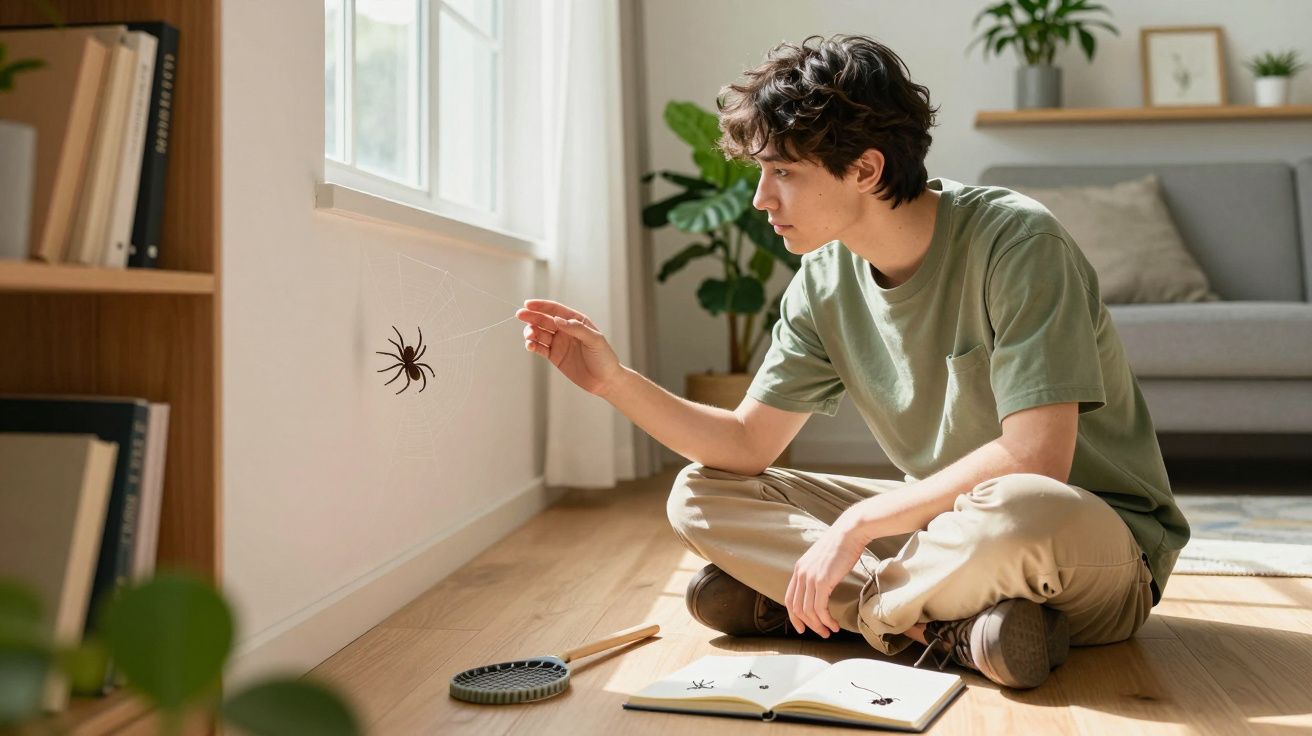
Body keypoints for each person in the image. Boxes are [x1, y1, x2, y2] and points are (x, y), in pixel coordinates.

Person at [514, 34, 1189, 690]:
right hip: (943, 534)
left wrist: (858, 525)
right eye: (761, 172)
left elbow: (1038, 460)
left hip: (1088, 542)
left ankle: (814, 606)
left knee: (1023, 506)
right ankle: (941, 627)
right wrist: (612, 380)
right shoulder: (822, 279)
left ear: (865, 169)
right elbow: (747, 444)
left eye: (783, 172)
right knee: (700, 490)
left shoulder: (1018, 242)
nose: (760, 199)